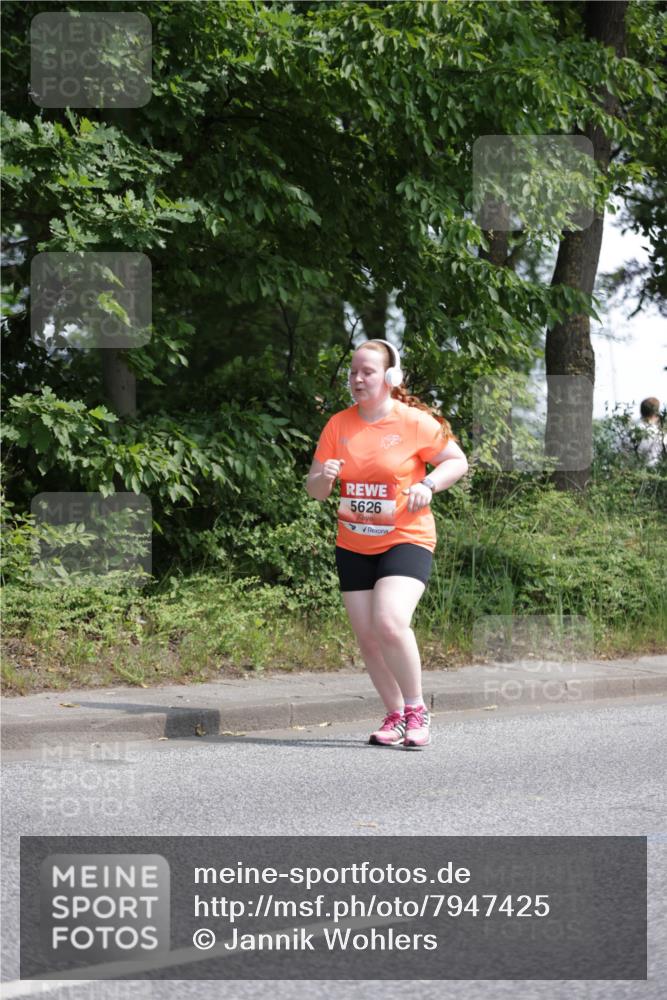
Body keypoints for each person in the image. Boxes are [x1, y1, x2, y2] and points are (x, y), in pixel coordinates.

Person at [306, 339, 468, 750]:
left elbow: (457, 461)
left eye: (367, 372)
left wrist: (429, 483)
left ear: (390, 378)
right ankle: (394, 715)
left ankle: (417, 710)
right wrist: (324, 475)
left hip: (405, 538)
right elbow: (316, 492)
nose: (357, 379)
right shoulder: (338, 425)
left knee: (390, 622)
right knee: (367, 635)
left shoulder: (414, 422)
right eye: (353, 372)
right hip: (354, 542)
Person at [634, 397, 666, 467]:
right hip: (657, 473)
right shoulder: (661, 433)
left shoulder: (632, 431)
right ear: (656, 413)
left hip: (634, 473)